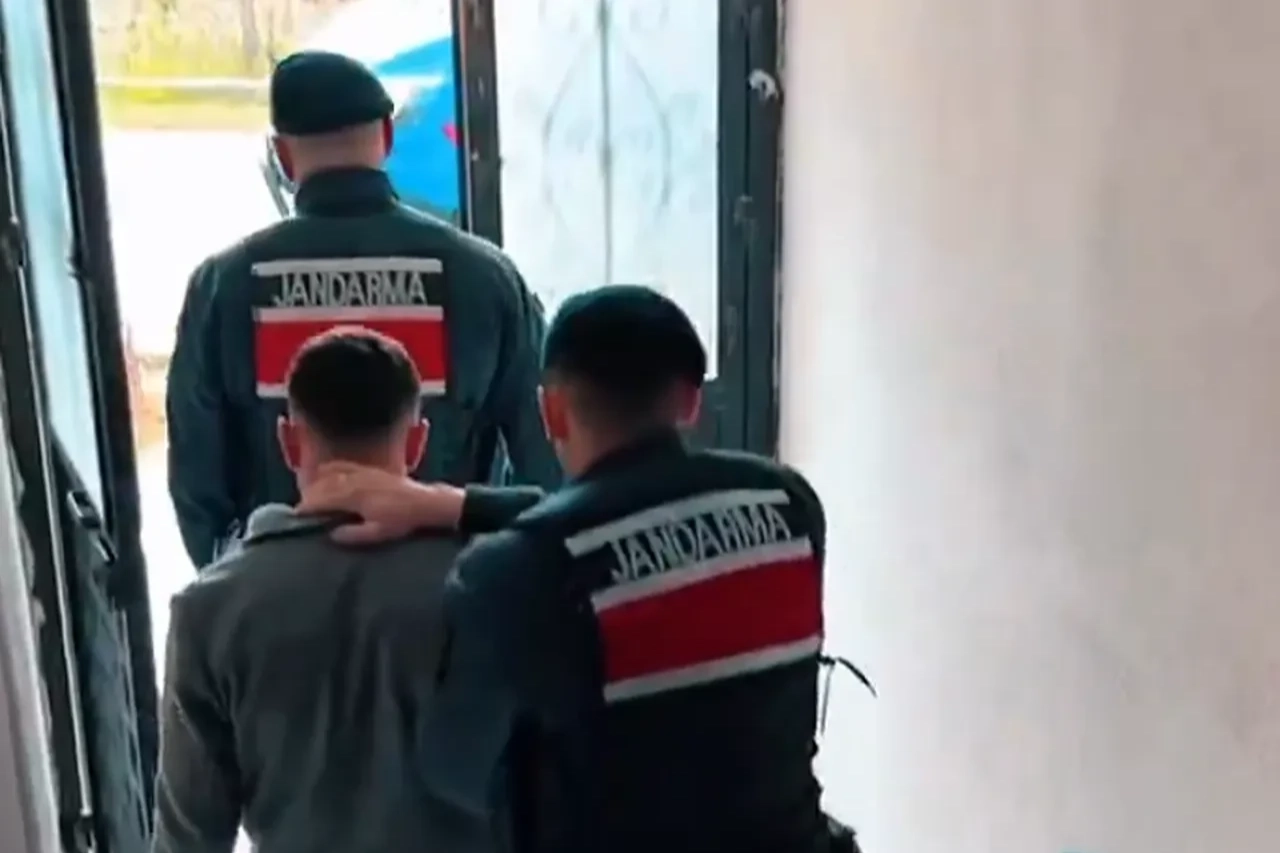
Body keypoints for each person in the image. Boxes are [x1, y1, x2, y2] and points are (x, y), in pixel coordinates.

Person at [297, 285, 865, 853]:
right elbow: (629, 517)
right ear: (691, 401)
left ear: (551, 411)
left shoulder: (513, 573)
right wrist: (461, 505)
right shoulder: (788, 503)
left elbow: (457, 771)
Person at [166, 49, 560, 568]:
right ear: (388, 137)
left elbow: (197, 480)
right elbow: (546, 460)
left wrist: (241, 588)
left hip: (282, 594)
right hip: (452, 593)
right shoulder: (486, 277)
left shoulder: (222, 285)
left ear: (283, 156)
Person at [152, 328, 490, 853]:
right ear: (417, 442)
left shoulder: (209, 610)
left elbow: (188, 841)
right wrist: (467, 508)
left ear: (289, 442)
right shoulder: (492, 578)